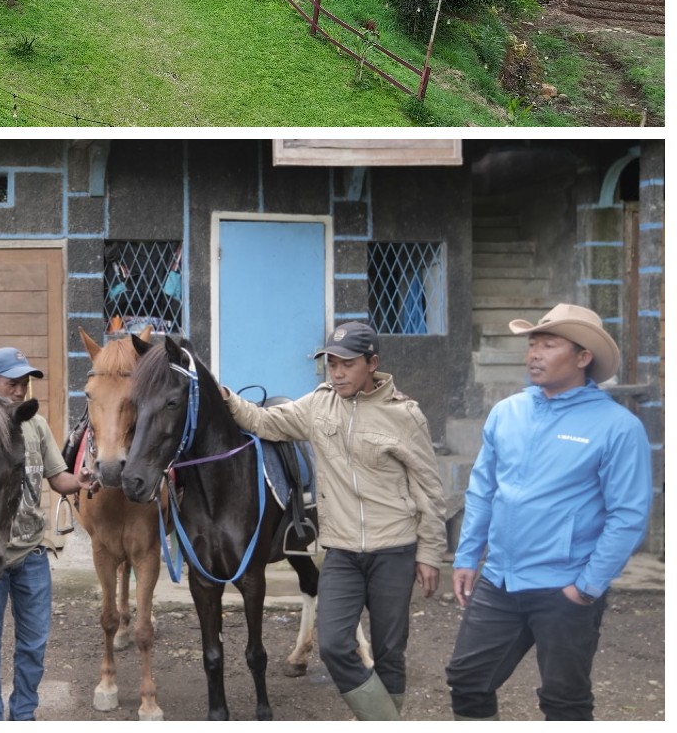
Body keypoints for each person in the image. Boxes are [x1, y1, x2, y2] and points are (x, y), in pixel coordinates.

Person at [221, 320, 446, 719]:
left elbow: (428, 487)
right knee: (335, 646)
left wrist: (429, 551)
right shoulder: (318, 403)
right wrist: (225, 399)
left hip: (393, 548)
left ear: (372, 363)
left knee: (390, 650)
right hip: (340, 549)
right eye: (330, 364)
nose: (337, 372)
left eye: (346, 364)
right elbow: (264, 422)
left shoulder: (405, 415)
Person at [445, 303, 651, 722]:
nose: (534, 353)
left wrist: (587, 587)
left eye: (548, 344)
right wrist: (468, 557)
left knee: (564, 702)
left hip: (565, 587)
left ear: (582, 357)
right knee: (467, 680)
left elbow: (628, 514)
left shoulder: (616, 426)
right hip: (500, 579)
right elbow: (483, 490)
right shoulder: (508, 412)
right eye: (532, 344)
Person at [0, 347, 90, 721]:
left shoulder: (35, 426)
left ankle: (23, 715)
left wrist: (84, 480)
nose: (21, 391)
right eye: (12, 383)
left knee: (34, 644)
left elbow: (58, 478)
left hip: (32, 555)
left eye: (24, 383)